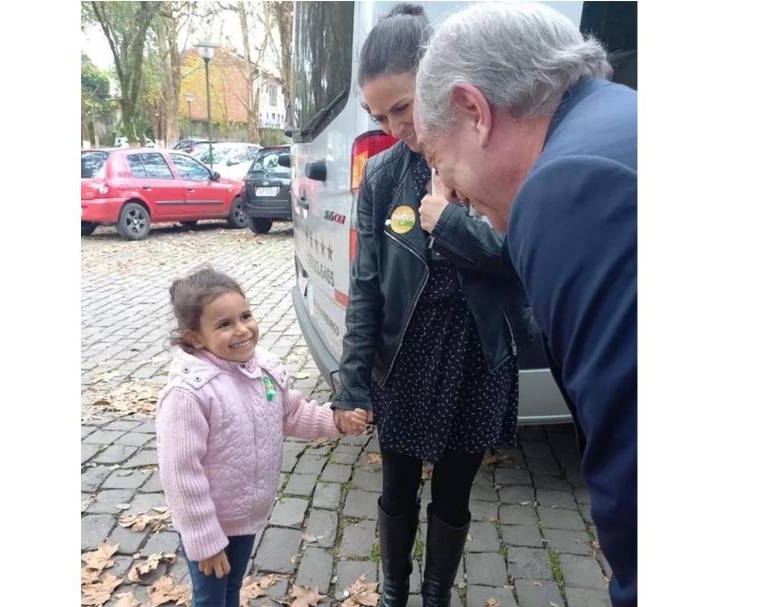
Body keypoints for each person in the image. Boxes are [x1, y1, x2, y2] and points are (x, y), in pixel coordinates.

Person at [413, 3, 637, 606]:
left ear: (474, 111)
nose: (451, 193)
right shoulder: (621, 117)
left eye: (440, 162)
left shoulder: (566, 187)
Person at [333, 5, 522, 607]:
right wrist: (353, 380)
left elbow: (517, 258)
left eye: (403, 107)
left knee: (455, 493)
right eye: (378, 114)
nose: (392, 127)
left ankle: (436, 594)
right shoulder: (385, 175)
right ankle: (394, 590)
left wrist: (452, 223)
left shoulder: (487, 153)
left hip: (476, 351)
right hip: (406, 355)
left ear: (438, 82)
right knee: (396, 488)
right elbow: (366, 285)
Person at [156, 267, 367, 607]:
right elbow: (181, 474)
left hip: (245, 516)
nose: (242, 330)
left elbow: (293, 414)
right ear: (195, 337)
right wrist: (205, 539)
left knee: (231, 588)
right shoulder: (190, 395)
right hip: (209, 525)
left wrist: (337, 422)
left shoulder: (263, 371)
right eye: (224, 324)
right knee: (210, 598)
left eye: (245, 316)